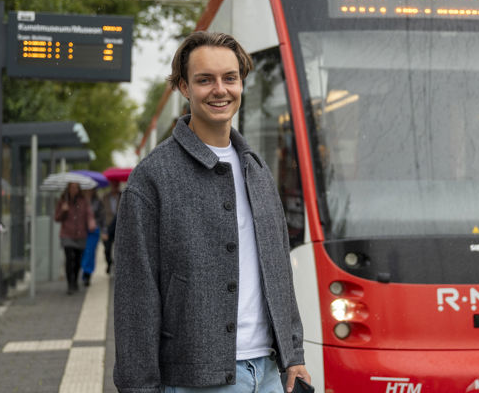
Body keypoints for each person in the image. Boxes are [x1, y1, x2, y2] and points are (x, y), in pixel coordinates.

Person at [113, 31, 310, 393]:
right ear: (184, 88)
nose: (220, 90)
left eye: (229, 78)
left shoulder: (257, 169)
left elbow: (278, 269)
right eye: (205, 80)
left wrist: (293, 354)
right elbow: (135, 297)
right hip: (195, 380)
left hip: (268, 372)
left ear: (240, 83)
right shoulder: (153, 177)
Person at [54, 182, 94, 295]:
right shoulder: (63, 201)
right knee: (69, 258)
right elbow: (57, 218)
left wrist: (91, 222)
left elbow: (89, 214)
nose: (74, 189)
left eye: (76, 187)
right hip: (67, 234)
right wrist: (63, 210)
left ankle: (75, 280)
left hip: (81, 234)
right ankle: (70, 283)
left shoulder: (83, 201)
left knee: (77, 260)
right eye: (72, 187)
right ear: (68, 188)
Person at [81, 188, 104, 286]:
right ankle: (84, 271)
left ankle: (87, 273)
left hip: (94, 230)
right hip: (82, 230)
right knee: (83, 252)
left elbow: (102, 217)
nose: (89, 191)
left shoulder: (97, 202)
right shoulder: (81, 201)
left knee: (90, 251)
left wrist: (103, 230)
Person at [101, 179, 121, 274]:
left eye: (116, 185)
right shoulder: (105, 197)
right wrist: (104, 230)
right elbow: (102, 214)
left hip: (119, 226)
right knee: (107, 249)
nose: (115, 186)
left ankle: (118, 267)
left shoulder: (123, 196)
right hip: (108, 226)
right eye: (113, 184)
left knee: (119, 249)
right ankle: (109, 263)